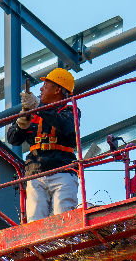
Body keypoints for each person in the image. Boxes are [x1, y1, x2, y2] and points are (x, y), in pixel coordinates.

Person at [5, 68, 80, 222]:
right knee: (35, 221)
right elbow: (13, 138)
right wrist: (21, 125)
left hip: (62, 171)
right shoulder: (33, 112)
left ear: (57, 89)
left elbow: (66, 126)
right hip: (35, 173)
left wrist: (38, 107)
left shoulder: (70, 111)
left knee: (64, 219)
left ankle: (65, 245)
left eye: (46, 85)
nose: (41, 88)